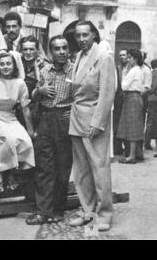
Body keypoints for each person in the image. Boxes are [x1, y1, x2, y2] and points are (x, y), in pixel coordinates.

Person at [68, 21, 116, 232]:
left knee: (99, 167)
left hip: (94, 121)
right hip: (77, 119)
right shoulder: (79, 56)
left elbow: (107, 94)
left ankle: (105, 213)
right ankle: (88, 211)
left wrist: (98, 122)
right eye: (78, 36)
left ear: (94, 35)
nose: (81, 39)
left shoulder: (104, 57)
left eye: (85, 35)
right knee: (82, 171)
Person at [26, 35, 74, 225]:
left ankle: (58, 210)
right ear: (51, 51)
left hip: (65, 119)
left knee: (63, 168)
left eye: (64, 48)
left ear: (68, 50)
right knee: (44, 167)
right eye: (57, 48)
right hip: (46, 119)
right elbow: (33, 97)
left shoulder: (74, 70)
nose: (61, 52)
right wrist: (40, 91)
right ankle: (43, 211)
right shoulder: (44, 70)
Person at [0, 53, 35, 192]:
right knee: (9, 139)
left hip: (11, 118)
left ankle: (12, 173)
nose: (5, 67)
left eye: (8, 63)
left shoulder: (20, 83)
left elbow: (25, 108)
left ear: (14, 65)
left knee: (26, 142)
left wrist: (30, 130)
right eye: (2, 64)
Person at [116, 50, 146, 164]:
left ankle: (131, 156)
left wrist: (124, 72)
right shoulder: (139, 70)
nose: (128, 60)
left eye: (130, 58)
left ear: (135, 59)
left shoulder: (133, 71)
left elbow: (124, 86)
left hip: (131, 98)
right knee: (133, 126)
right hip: (136, 98)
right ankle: (132, 154)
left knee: (132, 127)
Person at [144, 59, 157, 150]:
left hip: (149, 99)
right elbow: (156, 86)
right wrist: (155, 91)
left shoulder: (150, 73)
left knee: (150, 121)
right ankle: (156, 143)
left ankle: (147, 141)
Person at [113, 50, 129, 156]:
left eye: (123, 55)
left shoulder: (131, 68)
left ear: (128, 56)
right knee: (117, 124)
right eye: (120, 55)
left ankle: (128, 149)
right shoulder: (117, 69)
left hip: (128, 98)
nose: (121, 57)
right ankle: (117, 147)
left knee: (128, 123)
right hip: (118, 99)